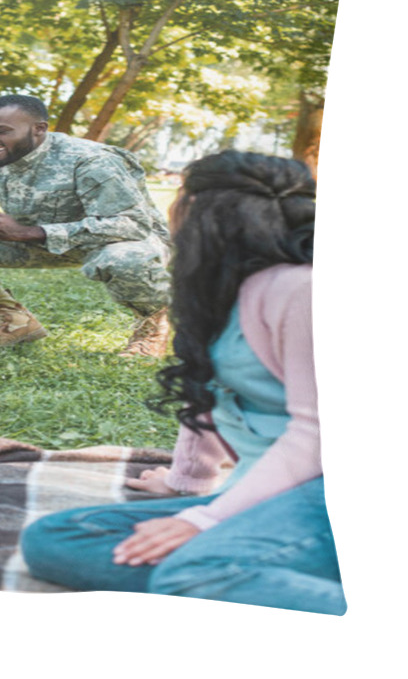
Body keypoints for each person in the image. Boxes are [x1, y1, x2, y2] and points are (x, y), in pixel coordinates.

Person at [20, 150, 346, 615]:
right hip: (261, 494)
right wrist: (185, 484)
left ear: (198, 211)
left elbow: (322, 435)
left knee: (192, 573)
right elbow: (210, 394)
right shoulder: (217, 288)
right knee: (55, 539)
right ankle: (254, 580)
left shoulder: (301, 289)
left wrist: (207, 519)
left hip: (328, 494)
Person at [0, 94, 172, 357]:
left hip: (114, 241)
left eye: (0, 131)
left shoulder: (90, 159)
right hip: (32, 240)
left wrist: (31, 232)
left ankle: (154, 324)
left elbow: (131, 224)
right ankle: (15, 322)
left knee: (125, 259)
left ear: (39, 129)